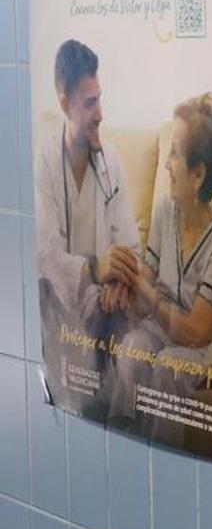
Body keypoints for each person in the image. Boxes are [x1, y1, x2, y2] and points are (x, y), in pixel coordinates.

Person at [106, 92, 212, 441]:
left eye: (175, 153)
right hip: (161, 328)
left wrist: (147, 293)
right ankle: (124, 439)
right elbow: (148, 270)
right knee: (132, 349)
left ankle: (162, 457)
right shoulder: (167, 209)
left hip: (202, 348)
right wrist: (127, 281)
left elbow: (194, 332)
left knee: (167, 367)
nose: (166, 163)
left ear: (198, 175)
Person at [34, 39, 140, 414]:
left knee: (138, 330)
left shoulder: (111, 161)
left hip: (105, 307)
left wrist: (119, 279)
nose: (100, 114)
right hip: (62, 312)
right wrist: (96, 268)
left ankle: (123, 417)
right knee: (45, 289)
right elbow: (44, 258)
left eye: (100, 99)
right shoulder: (44, 163)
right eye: (89, 103)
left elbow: (131, 245)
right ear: (64, 103)